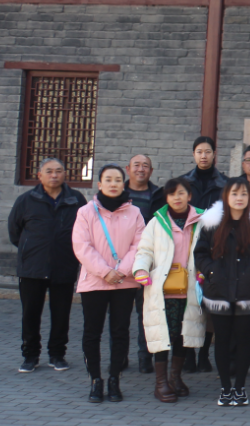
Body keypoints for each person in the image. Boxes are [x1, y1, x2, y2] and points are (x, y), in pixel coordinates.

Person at [194, 180, 250, 407]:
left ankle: (240, 388)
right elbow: (200, 253)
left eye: (243, 194)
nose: (239, 198)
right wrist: (211, 271)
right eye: (234, 194)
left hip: (248, 292)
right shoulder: (212, 224)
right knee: (221, 340)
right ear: (226, 197)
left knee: (243, 340)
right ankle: (225, 388)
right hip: (219, 291)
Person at [71, 165, 144, 403]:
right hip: (94, 281)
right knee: (92, 332)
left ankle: (114, 379)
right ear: (100, 184)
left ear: (124, 184)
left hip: (125, 281)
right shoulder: (85, 212)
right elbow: (81, 246)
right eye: (108, 179)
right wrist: (105, 272)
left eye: (118, 180)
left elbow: (139, 245)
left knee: (120, 331)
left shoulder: (135, 213)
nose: (113, 184)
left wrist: (121, 271)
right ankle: (95, 379)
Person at [131, 178, 206, 403]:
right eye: (172, 194)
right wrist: (141, 270)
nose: (177, 198)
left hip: (190, 289)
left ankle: (175, 377)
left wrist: (205, 272)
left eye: (181, 193)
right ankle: (161, 383)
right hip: (162, 290)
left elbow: (209, 251)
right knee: (162, 336)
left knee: (183, 335)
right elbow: (145, 250)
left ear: (189, 196)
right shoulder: (156, 222)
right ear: (166, 198)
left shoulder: (202, 221)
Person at [9, 157, 86, 373]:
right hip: (32, 267)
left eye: (58, 171)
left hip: (64, 265)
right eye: (49, 171)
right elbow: (14, 232)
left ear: (65, 174)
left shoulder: (76, 199)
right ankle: (30, 356)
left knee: (61, 314)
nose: (54, 175)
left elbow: (85, 230)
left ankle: (57, 355)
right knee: (30, 314)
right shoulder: (26, 200)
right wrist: (31, 249)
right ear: (40, 175)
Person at [126, 153, 158, 374]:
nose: (140, 169)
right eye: (136, 165)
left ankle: (145, 357)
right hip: (120, 266)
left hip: (148, 263)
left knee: (145, 313)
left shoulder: (158, 196)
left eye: (145, 165)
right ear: (128, 169)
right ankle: (119, 357)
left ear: (151, 171)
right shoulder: (117, 193)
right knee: (119, 315)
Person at [166, 136, 228, 211]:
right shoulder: (183, 182)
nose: (203, 156)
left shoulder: (225, 183)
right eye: (199, 152)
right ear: (194, 154)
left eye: (208, 152)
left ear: (214, 154)